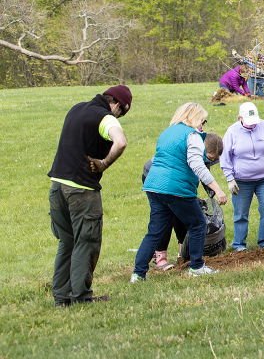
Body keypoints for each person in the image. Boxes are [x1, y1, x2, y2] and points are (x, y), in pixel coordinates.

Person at [47, 85, 132, 307]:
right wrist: (104, 163)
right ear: (116, 105)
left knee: (67, 242)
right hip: (81, 190)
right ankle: (81, 297)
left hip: (57, 186)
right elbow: (121, 142)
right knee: (87, 242)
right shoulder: (105, 117)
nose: (119, 116)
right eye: (122, 113)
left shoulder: (76, 109)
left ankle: (61, 298)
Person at [132, 103, 227, 282]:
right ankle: (197, 267)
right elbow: (197, 165)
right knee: (198, 224)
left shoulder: (168, 131)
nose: (202, 125)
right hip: (176, 188)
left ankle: (138, 273)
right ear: (194, 117)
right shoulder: (191, 135)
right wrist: (218, 190)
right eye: (202, 120)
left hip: (154, 186)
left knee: (154, 231)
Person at [140, 133, 223, 270]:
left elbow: (202, 175)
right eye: (210, 158)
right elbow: (183, 178)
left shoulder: (203, 155)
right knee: (166, 217)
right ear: (202, 150)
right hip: (156, 176)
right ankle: (160, 257)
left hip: (175, 180)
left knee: (184, 215)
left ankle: (184, 251)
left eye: (214, 159)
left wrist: (211, 192)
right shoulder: (192, 151)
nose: (211, 160)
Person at [221, 102, 264, 251]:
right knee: (241, 213)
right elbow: (225, 157)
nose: (252, 125)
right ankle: (239, 244)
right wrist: (230, 178)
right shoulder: (232, 132)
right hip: (242, 181)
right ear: (240, 117)